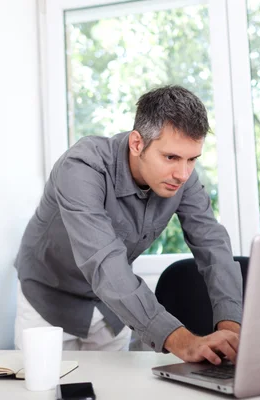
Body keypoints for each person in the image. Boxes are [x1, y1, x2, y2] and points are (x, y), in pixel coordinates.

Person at [14, 85, 242, 365]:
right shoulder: (81, 167)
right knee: (43, 390)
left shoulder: (182, 177)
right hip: (48, 302)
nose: (182, 173)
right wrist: (183, 341)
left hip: (113, 307)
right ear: (137, 144)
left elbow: (212, 244)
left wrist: (231, 329)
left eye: (192, 159)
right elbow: (104, 263)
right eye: (170, 157)